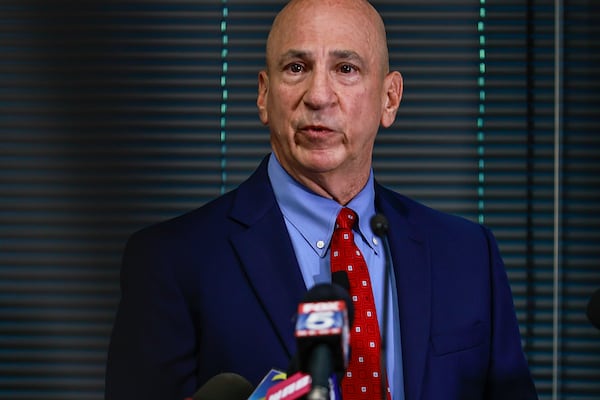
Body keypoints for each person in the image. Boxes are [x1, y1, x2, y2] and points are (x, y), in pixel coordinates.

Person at [105, 0, 538, 399]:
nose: (318, 96)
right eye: (296, 67)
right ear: (263, 95)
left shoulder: (467, 254)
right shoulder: (170, 260)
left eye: (346, 69)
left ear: (390, 99)